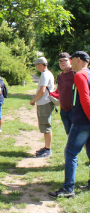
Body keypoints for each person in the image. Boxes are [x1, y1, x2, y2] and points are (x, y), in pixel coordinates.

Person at [49, 51, 90, 199]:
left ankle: (68, 189)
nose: (70, 62)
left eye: (71, 60)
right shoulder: (88, 73)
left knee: (71, 153)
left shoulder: (79, 75)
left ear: (78, 60)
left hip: (81, 121)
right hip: (86, 120)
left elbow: (85, 100)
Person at [30, 57, 55, 158]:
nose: (36, 67)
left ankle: (48, 149)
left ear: (41, 64)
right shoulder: (46, 74)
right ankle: (46, 147)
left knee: (46, 126)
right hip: (44, 103)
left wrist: (34, 100)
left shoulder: (45, 74)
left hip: (44, 103)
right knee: (44, 126)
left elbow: (42, 90)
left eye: (37, 65)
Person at [54, 53, 75, 135]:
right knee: (69, 134)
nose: (62, 63)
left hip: (74, 110)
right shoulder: (59, 75)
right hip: (63, 110)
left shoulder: (75, 73)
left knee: (78, 136)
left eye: (65, 61)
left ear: (70, 61)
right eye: (60, 61)